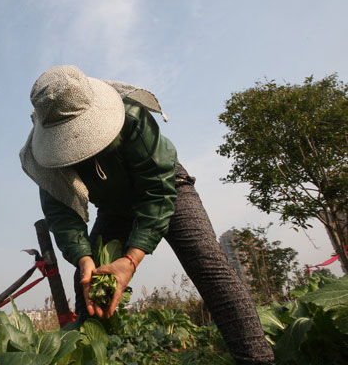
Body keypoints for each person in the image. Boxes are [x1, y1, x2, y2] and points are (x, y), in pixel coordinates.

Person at [20, 65, 274, 365]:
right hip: (115, 208)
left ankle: (257, 360)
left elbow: (157, 188)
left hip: (166, 189)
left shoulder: (130, 116)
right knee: (87, 282)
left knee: (209, 266)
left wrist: (130, 260)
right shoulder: (45, 159)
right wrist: (85, 259)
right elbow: (62, 215)